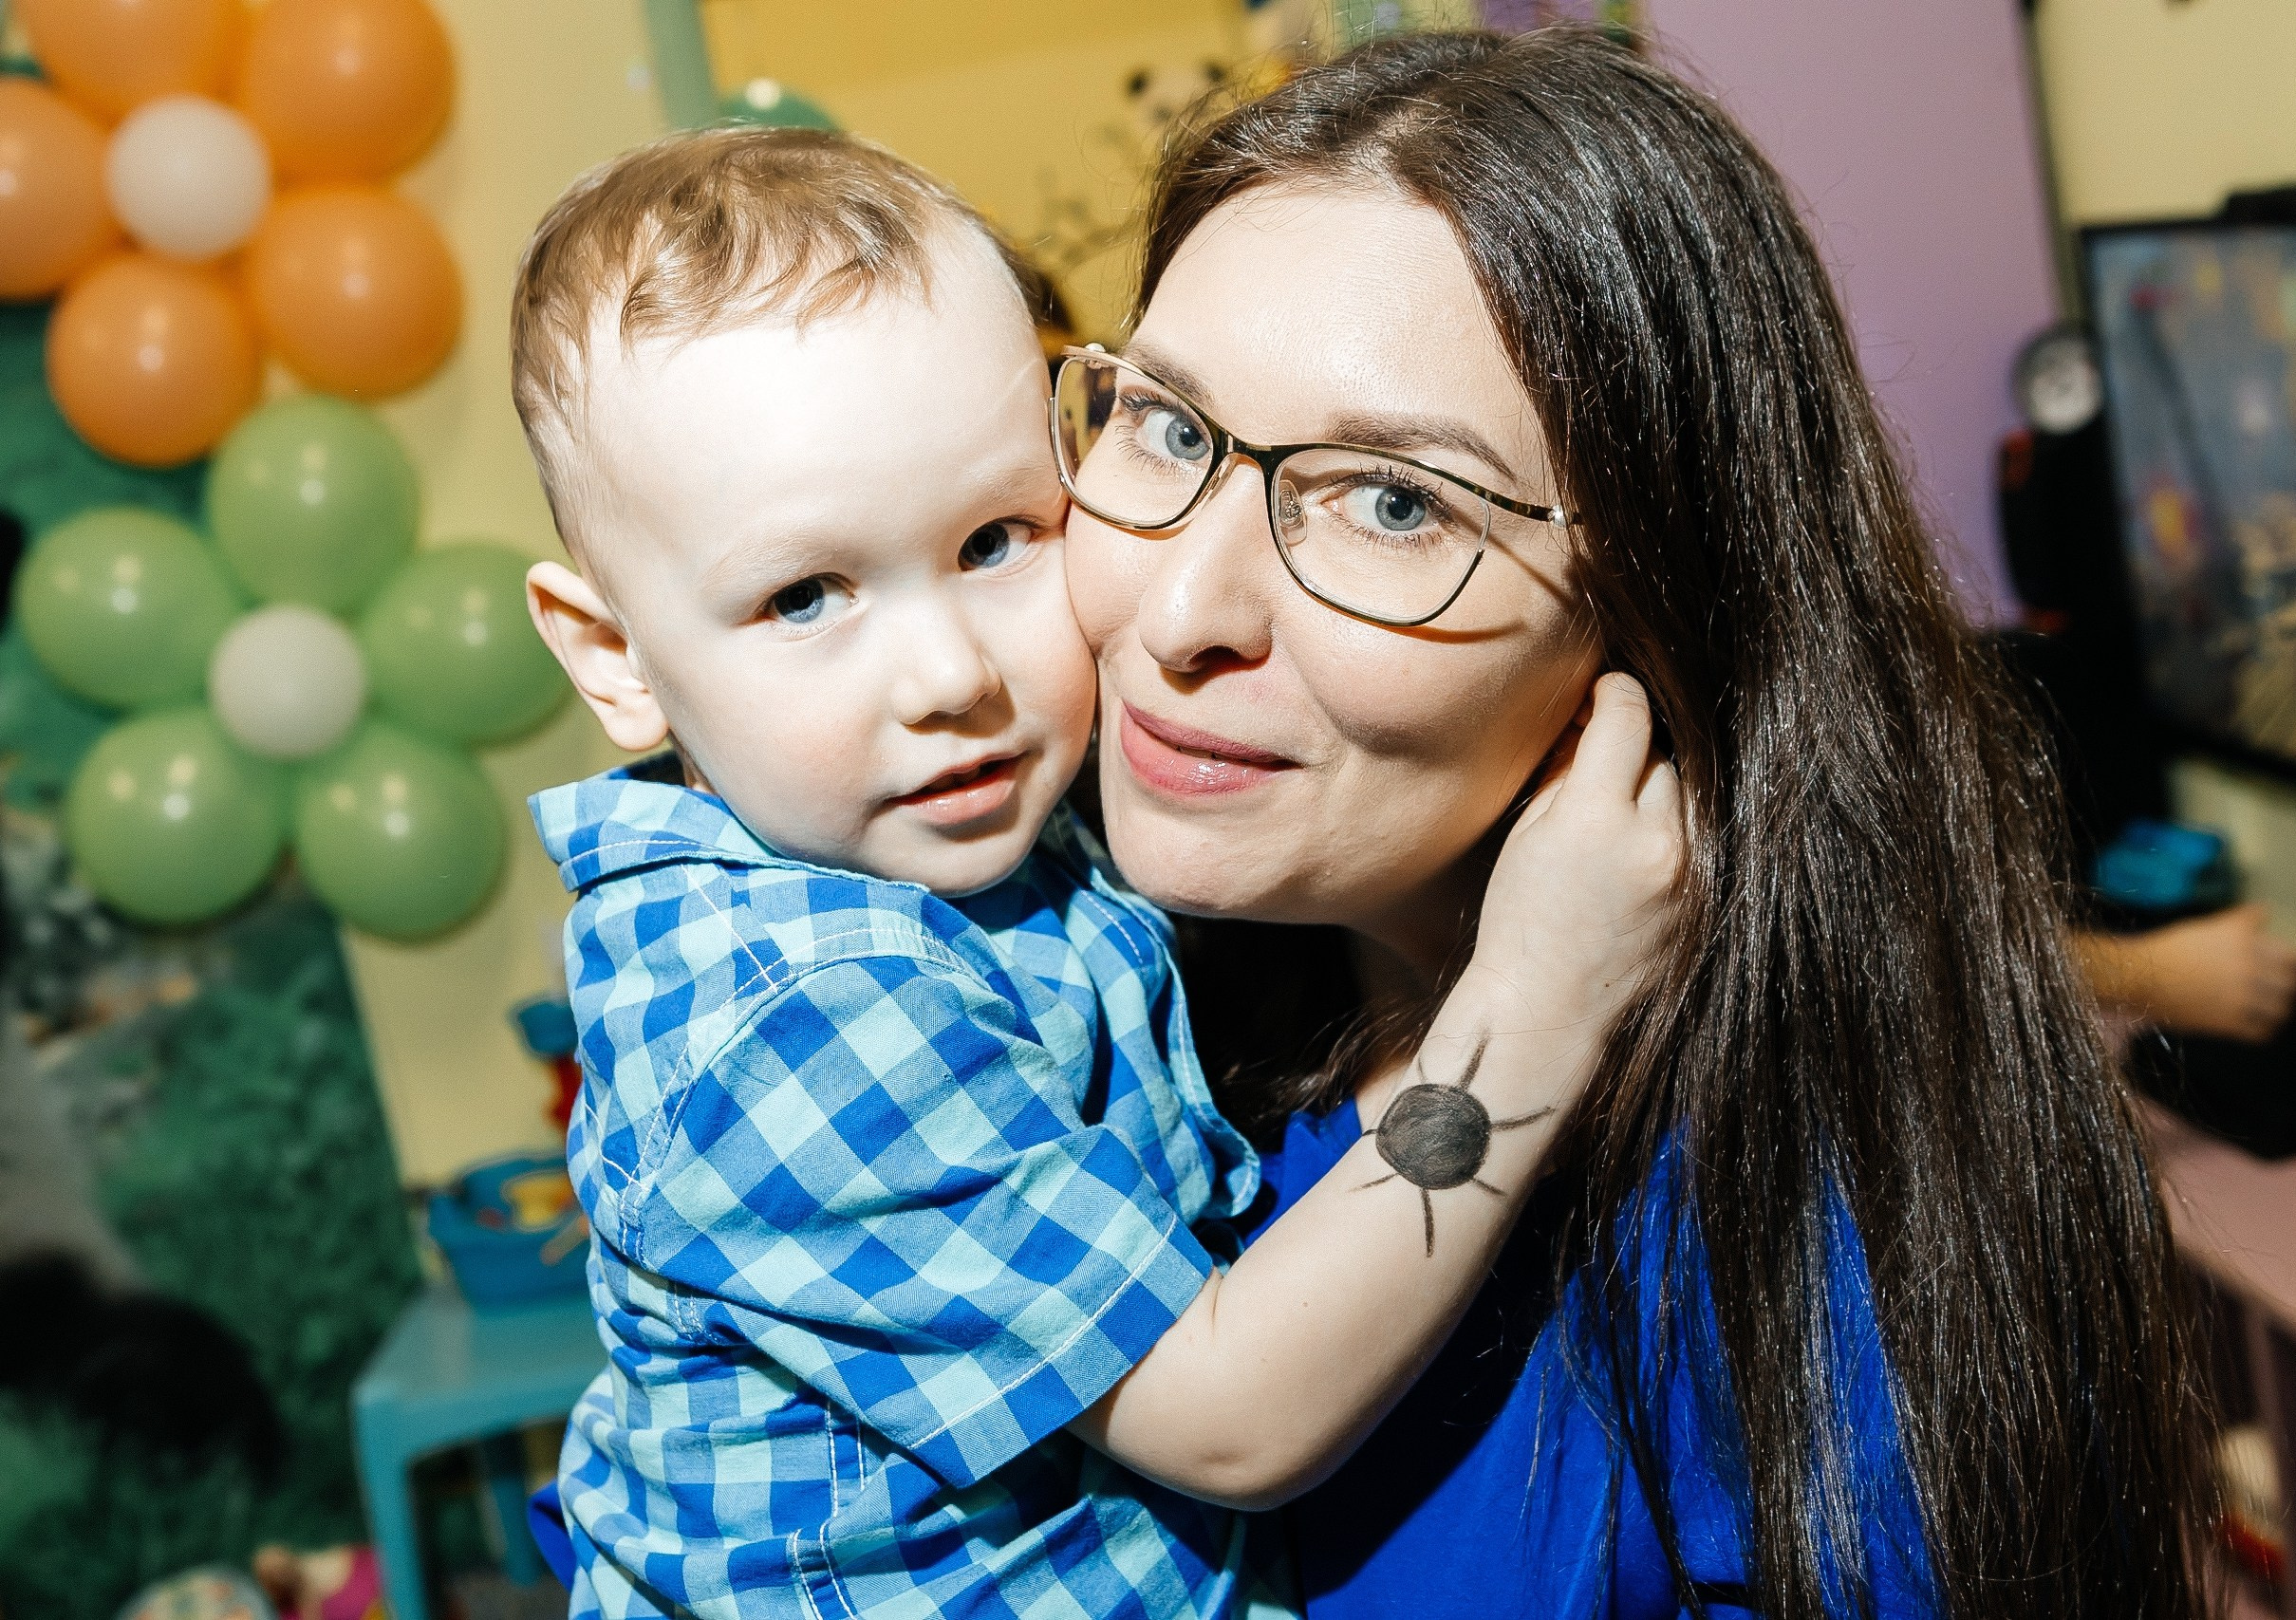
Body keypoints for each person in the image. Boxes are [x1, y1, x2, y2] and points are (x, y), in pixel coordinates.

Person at [1056, 28, 2215, 1619]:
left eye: (1397, 501)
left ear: (1657, 616)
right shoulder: (1083, 1010)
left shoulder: (1807, 1248)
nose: (1177, 606)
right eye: (1169, 429)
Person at [508, 126, 1680, 1620]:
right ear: (615, 655)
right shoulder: (792, 1015)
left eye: (997, 538)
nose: (949, 676)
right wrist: (1537, 994)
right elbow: (1233, 1414)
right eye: (805, 596)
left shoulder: (963, 834)